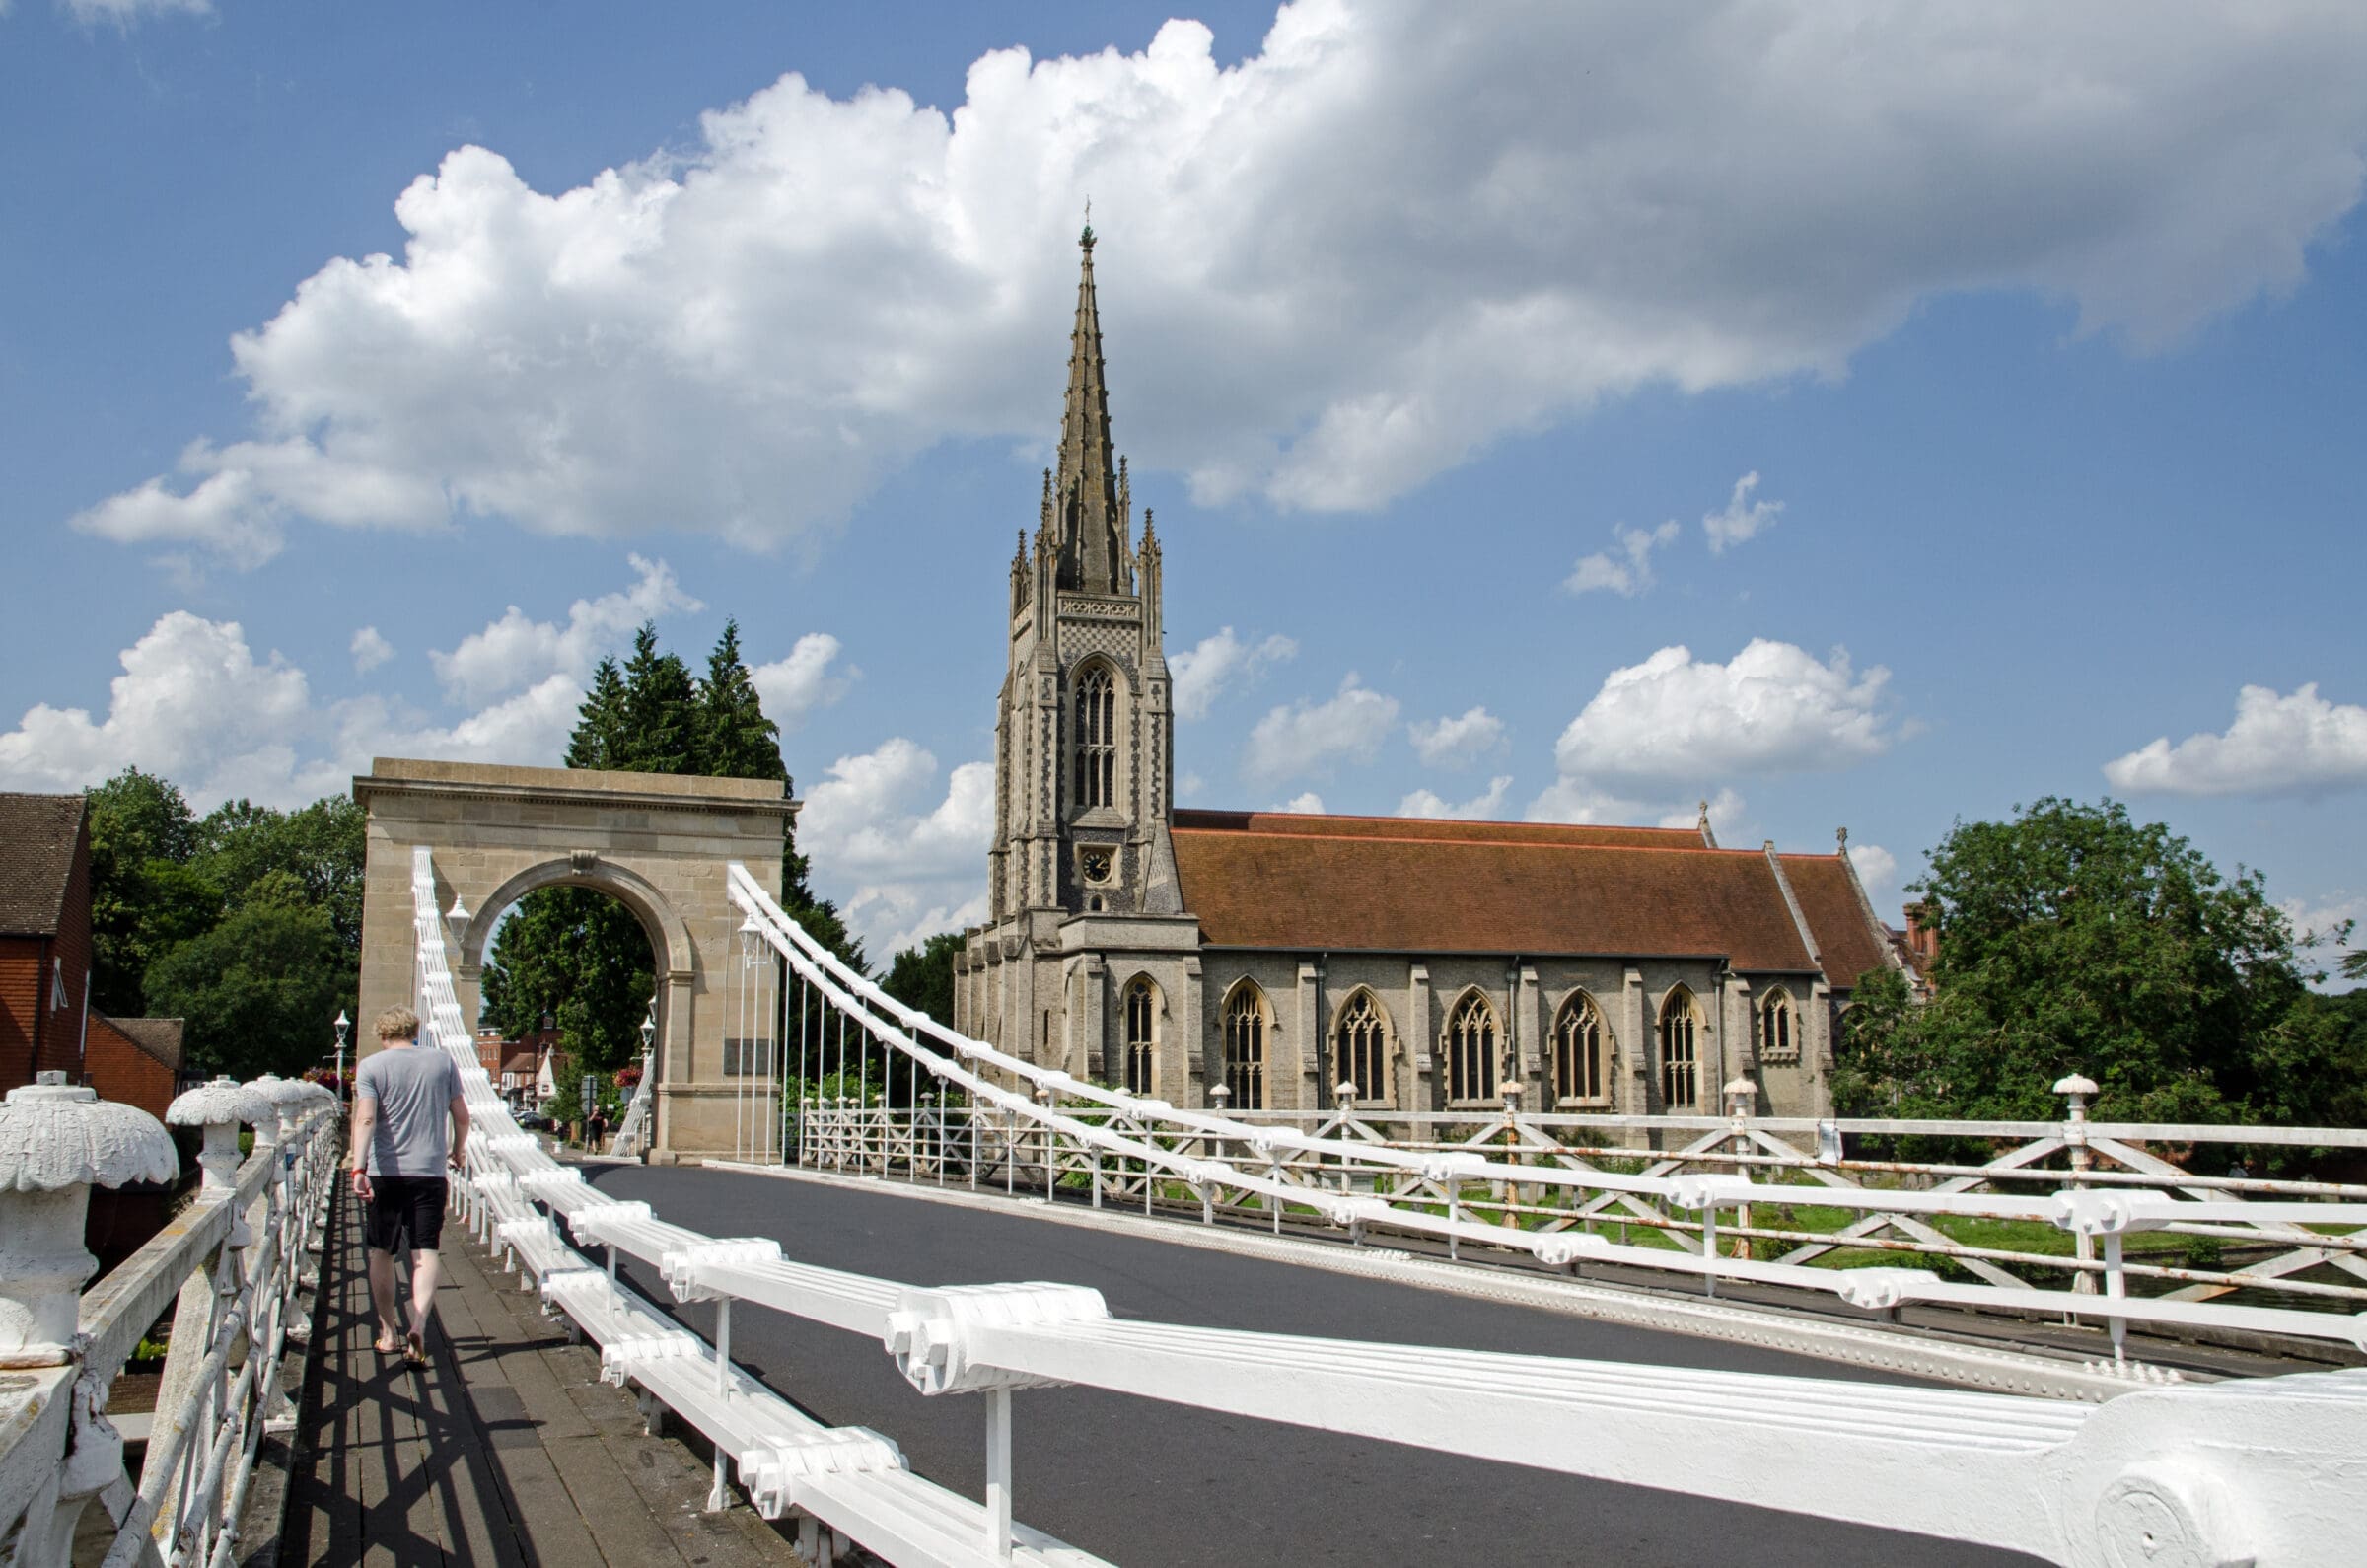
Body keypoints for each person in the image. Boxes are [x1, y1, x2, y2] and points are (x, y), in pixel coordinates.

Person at [348, 1005, 469, 1367]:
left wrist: (358, 1167)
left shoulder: (371, 1066)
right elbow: (462, 1116)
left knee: (381, 1252)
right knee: (425, 1252)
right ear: (414, 1030)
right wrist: (457, 1151)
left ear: (382, 1034)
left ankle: (388, 1332)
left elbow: (366, 1117)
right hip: (430, 1174)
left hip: (385, 1173)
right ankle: (419, 1324)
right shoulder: (442, 1062)